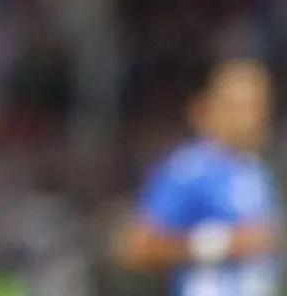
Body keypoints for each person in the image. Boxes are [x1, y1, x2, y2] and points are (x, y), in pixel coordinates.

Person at [113, 58, 281, 294]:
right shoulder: (189, 169)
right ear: (209, 107)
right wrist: (223, 244)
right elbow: (135, 247)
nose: (250, 118)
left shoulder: (258, 171)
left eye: (257, 106)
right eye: (238, 106)